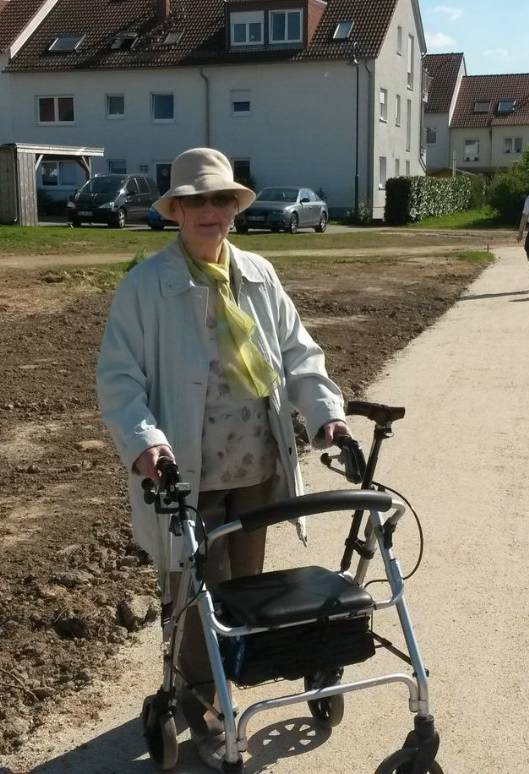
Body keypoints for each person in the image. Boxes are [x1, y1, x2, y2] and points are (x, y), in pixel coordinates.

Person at [96, 147, 348, 769]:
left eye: (220, 200)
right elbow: (118, 379)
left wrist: (326, 414)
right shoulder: (147, 286)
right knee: (190, 594)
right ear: (176, 211)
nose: (209, 211)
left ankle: (226, 688)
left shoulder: (259, 275)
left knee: (241, 592)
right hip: (186, 472)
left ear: (234, 209)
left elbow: (298, 354)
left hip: (256, 468)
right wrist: (146, 441)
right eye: (196, 201)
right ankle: (201, 707)